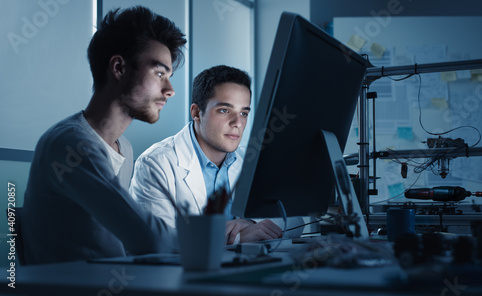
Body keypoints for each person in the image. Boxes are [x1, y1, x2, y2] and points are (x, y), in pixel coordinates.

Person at [22, 6, 187, 265]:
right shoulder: (72, 144)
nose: (170, 90)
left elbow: (127, 239)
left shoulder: (124, 148)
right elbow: (149, 238)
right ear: (119, 68)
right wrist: (223, 238)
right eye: (159, 74)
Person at [130, 65, 296, 248]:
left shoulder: (251, 158)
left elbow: (296, 217)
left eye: (244, 113)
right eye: (225, 110)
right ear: (196, 113)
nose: (237, 123)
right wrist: (240, 238)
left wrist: (252, 224)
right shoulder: (155, 163)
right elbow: (157, 242)